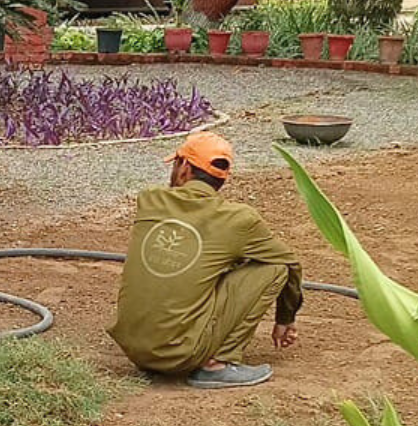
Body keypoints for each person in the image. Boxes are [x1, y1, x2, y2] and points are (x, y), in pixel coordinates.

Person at [108, 132, 302, 389]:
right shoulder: (238, 220)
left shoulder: (149, 200)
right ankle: (217, 363)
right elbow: (290, 263)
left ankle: (164, 352)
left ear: (184, 168)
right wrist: (285, 318)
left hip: (134, 350)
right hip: (180, 355)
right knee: (276, 267)